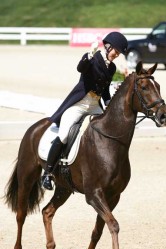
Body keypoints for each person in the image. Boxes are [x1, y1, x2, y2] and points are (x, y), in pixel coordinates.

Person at [42, 31, 128, 190]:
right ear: (108, 46)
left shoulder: (112, 67)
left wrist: (108, 103)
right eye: (116, 51)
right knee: (64, 134)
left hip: (95, 104)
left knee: (106, 131)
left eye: (119, 53)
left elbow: (105, 90)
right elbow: (81, 68)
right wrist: (89, 54)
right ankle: (47, 173)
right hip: (80, 104)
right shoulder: (92, 59)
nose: (116, 55)